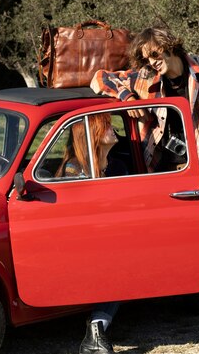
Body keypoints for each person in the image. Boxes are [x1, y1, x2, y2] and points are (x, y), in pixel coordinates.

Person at [90, 26, 199, 321]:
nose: (152, 63)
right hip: (180, 173)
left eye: (155, 55)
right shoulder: (147, 79)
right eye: (147, 60)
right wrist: (128, 97)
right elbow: (99, 78)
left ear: (169, 46)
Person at [57, 113, 123, 354]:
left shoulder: (117, 166)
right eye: (106, 125)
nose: (112, 129)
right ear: (93, 134)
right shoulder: (74, 169)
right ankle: (95, 329)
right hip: (79, 244)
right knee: (117, 267)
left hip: (109, 238)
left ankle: (96, 330)